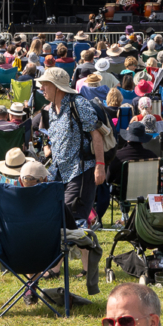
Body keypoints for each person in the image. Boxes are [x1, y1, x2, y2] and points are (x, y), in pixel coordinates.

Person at [36, 66, 105, 226]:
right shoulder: (51, 109)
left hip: (80, 172)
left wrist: (100, 165)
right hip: (59, 172)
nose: (41, 88)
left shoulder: (79, 104)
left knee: (73, 222)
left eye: (45, 84)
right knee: (51, 216)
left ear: (56, 86)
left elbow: (97, 134)